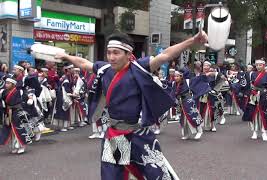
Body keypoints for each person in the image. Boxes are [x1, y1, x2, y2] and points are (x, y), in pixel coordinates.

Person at [55, 31, 208, 179]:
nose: (111, 57)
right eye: (109, 52)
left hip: (138, 134)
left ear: (128, 54)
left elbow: (166, 55)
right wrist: (66, 56)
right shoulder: (104, 69)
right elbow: (84, 63)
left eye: (116, 53)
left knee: (156, 175)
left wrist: (192, 41)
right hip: (116, 134)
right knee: (113, 176)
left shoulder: (139, 68)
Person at [0, 74, 31, 154]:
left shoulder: (17, 92)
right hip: (8, 112)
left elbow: (19, 102)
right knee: (11, 131)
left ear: (13, 84)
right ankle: (14, 146)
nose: (6, 85)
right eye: (6, 83)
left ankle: (22, 146)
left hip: (17, 112)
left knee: (18, 129)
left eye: (8, 83)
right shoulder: (4, 92)